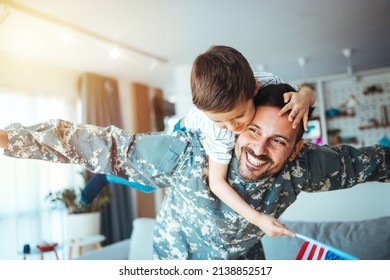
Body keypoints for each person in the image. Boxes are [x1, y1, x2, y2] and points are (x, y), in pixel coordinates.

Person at [0, 83, 388, 260]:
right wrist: (7, 139)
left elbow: (369, 162)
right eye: (253, 130)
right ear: (239, 122)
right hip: (174, 259)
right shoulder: (186, 153)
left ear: (296, 149)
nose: (258, 149)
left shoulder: (304, 168)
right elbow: (98, 143)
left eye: (277, 141)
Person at [82, 45, 316, 238]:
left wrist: (304, 97)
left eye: (239, 116)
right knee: (150, 180)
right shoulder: (219, 131)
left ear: (254, 88)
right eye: (221, 120)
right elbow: (217, 182)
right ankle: (108, 175)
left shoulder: (269, 82)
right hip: (185, 131)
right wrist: (258, 219)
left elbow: (307, 90)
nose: (233, 127)